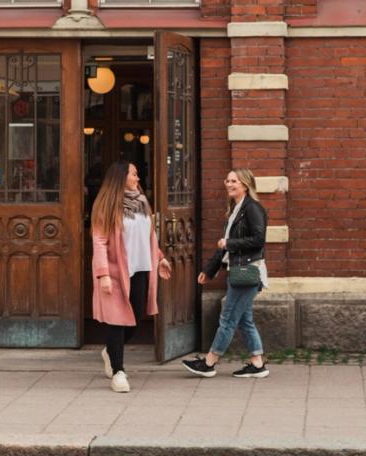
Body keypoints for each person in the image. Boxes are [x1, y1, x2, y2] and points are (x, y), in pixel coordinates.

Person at [91, 160, 172, 393]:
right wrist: (103, 274)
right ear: (121, 177)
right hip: (115, 273)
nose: (138, 178)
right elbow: (99, 241)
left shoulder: (142, 202)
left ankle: (109, 351)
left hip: (141, 268)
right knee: (117, 321)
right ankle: (118, 372)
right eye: (134, 174)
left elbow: (148, 236)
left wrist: (159, 257)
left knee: (134, 319)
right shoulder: (107, 205)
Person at [183, 169, 269, 379]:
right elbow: (224, 248)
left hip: (247, 271)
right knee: (244, 319)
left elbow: (258, 239)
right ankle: (257, 364)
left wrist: (230, 242)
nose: (229, 184)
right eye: (227, 180)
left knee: (228, 317)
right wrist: (209, 270)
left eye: (234, 181)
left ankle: (210, 362)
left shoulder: (252, 208)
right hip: (238, 270)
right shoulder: (235, 210)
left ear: (245, 185)